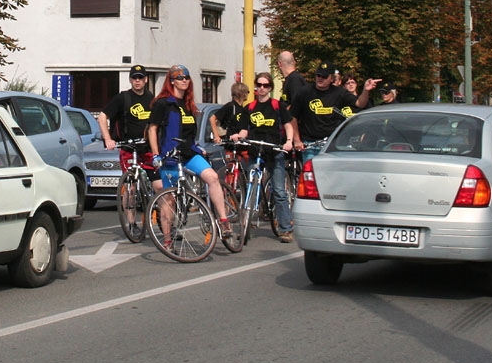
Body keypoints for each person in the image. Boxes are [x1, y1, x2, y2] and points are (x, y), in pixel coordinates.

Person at [148, 64, 230, 249]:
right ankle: (168, 239)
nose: (184, 80)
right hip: (170, 156)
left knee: (213, 177)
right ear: (171, 81)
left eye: (186, 77)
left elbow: (188, 133)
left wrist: (196, 147)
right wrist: (155, 155)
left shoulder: (188, 104)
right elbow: (152, 130)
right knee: (168, 199)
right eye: (179, 78)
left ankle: (223, 220)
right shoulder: (163, 103)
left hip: (189, 153)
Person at [98, 64, 161, 236]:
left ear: (146, 79)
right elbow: (103, 117)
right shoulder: (123, 98)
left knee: (160, 186)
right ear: (131, 79)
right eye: (135, 77)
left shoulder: (151, 98)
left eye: (141, 77)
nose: (138, 81)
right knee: (130, 187)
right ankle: (132, 223)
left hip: (147, 149)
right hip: (128, 149)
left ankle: (165, 220)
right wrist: (108, 139)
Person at [235, 72, 297, 243]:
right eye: (259, 85)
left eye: (266, 86)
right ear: (255, 86)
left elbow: (288, 125)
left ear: (270, 87)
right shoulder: (250, 107)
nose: (262, 88)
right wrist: (238, 136)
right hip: (256, 152)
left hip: (274, 151)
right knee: (251, 189)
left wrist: (289, 141)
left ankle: (286, 229)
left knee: (279, 191)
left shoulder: (277, 105)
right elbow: (244, 130)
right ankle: (245, 225)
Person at [290, 61, 379, 162]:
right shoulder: (304, 92)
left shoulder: (339, 93)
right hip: (310, 144)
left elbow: (360, 103)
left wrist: (366, 90)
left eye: (324, 76)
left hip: (332, 144)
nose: (320, 78)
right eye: (318, 75)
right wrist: (297, 140)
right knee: (311, 175)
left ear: (332, 78)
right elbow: (293, 116)